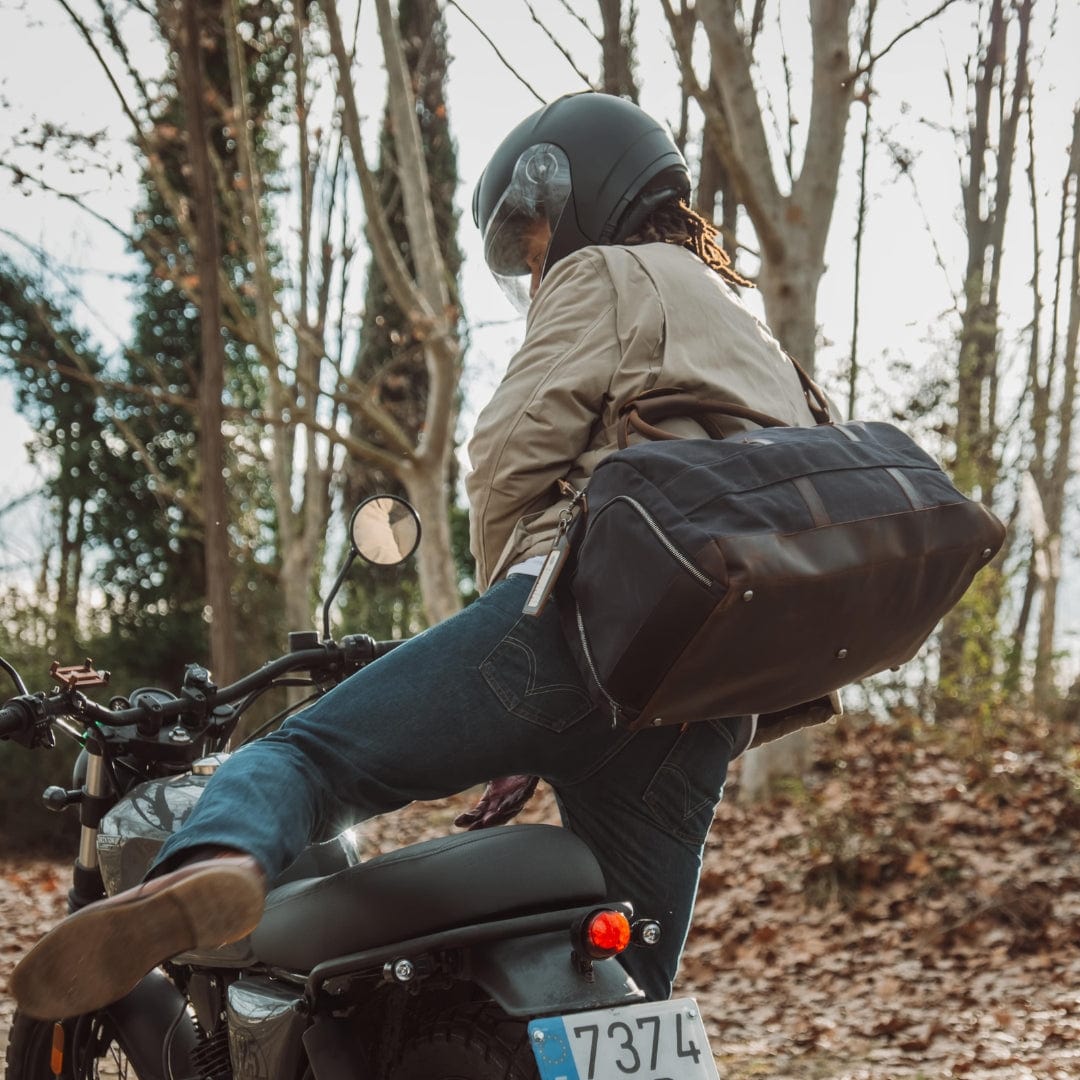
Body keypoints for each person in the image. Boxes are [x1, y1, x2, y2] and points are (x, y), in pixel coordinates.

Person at [11, 92, 823, 1020]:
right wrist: (538, 724)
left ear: (574, 183)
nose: (538, 257)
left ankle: (205, 869)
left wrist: (508, 643)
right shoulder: (747, 327)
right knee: (628, 1003)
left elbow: (512, 450)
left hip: (575, 628)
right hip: (700, 702)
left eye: (535, 233)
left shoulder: (603, 273)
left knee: (308, 759)